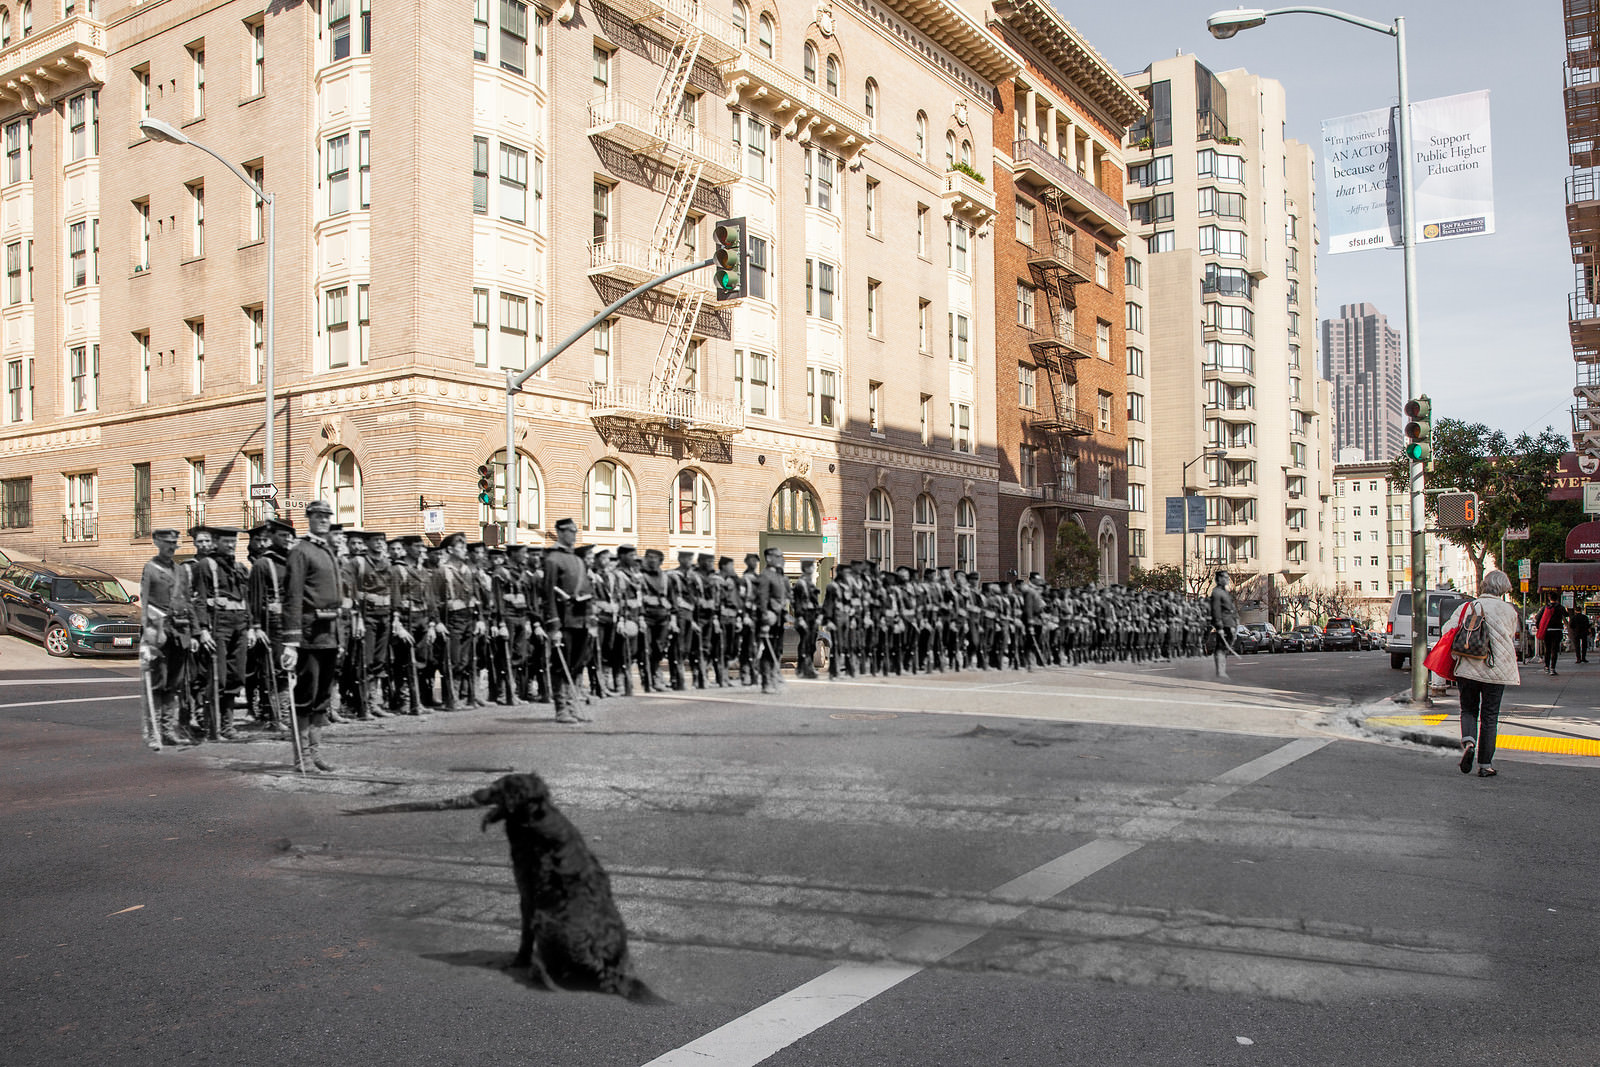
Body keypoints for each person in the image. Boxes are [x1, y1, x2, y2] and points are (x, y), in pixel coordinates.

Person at [281, 500, 343, 773]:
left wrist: (339, 638)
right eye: (318, 516)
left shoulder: (327, 550)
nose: (323, 520)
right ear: (308, 518)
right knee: (305, 696)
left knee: (321, 698)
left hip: (328, 634)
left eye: (327, 516)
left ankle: (315, 753)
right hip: (307, 634)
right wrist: (291, 642)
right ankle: (301, 758)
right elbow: (293, 596)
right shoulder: (301, 551)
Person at [1447, 570, 1521, 778]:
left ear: (1484, 586)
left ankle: (1469, 742)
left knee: (1468, 709)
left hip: (1468, 666)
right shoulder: (1510, 611)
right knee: (1490, 716)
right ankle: (1485, 765)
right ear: (1503, 588)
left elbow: (1448, 630)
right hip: (1496, 670)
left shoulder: (1468, 607)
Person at [1207, 571, 1238, 680]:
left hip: (1229, 623)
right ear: (1219, 579)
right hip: (1224, 623)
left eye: (1227, 577)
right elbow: (1216, 609)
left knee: (1225, 647)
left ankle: (1222, 669)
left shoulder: (1225, 592)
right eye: (1224, 577)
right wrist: (1219, 626)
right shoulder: (1216, 592)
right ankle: (1220, 671)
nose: (1227, 579)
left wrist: (1235, 621)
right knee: (1221, 647)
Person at [1536, 592, 1567, 676]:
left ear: (1549, 598)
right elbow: (1566, 615)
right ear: (1557, 598)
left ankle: (1546, 667)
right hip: (1557, 630)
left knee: (1547, 649)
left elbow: (1537, 617)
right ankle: (1553, 668)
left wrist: (1538, 627)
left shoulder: (1545, 607)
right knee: (1554, 650)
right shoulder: (1560, 607)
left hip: (1547, 631)